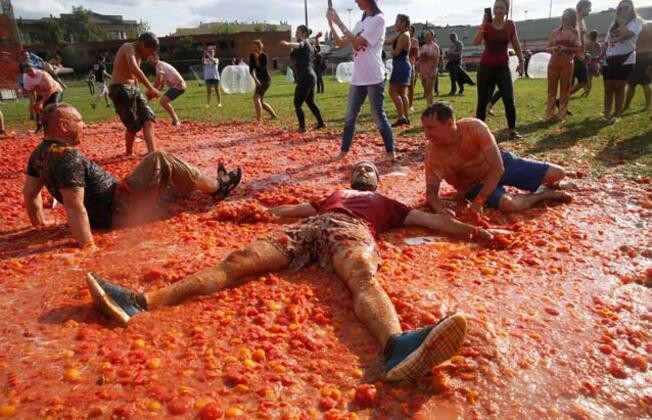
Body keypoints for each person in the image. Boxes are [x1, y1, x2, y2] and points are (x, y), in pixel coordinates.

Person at [85, 160, 502, 381]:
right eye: (358, 169)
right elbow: (289, 211)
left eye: (369, 170)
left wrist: (475, 233)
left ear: (375, 181)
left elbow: (431, 222)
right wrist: (251, 212)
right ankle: (140, 301)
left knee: (361, 275)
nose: (362, 171)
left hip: (350, 232)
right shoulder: (333, 193)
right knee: (236, 263)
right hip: (308, 229)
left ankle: (397, 345)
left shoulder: (390, 204)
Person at [23, 103, 242, 250]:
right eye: (79, 121)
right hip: (120, 209)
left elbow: (30, 195)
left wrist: (39, 226)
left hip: (115, 203)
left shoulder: (39, 154)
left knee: (164, 176)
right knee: (159, 158)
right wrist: (88, 246)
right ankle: (217, 187)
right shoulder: (67, 157)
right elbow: (74, 205)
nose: (84, 125)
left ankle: (192, 188)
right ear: (63, 125)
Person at [422, 102, 572, 216]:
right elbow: (432, 194)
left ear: (449, 124)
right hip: (473, 185)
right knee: (509, 206)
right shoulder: (433, 153)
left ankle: (542, 185)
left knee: (558, 173)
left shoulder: (474, 127)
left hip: (500, 165)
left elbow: (497, 167)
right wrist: (441, 211)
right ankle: (544, 194)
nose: (426, 135)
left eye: (431, 128)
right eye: (425, 129)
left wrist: (479, 201)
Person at [326, 0, 397, 161]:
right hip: (358, 77)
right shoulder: (361, 22)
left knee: (378, 115)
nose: (356, 1)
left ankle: (390, 151)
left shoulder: (379, 20)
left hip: (373, 75)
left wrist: (339, 21)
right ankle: (343, 151)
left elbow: (357, 43)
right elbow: (340, 43)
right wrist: (331, 24)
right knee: (350, 116)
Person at [473, 0, 525, 140]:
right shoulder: (487, 24)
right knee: (482, 100)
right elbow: (476, 41)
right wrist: (483, 24)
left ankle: (512, 130)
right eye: (496, 7)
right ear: (493, 9)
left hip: (502, 67)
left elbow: (516, 43)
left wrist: (521, 61)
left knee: (508, 98)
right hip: (486, 67)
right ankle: (480, 132)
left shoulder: (510, 25)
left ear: (506, 10)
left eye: (501, 7)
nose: (498, 10)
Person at [109, 32, 161, 156]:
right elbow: (134, 68)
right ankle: (129, 153)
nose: (149, 54)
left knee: (149, 117)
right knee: (133, 125)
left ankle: (152, 152)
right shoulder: (128, 48)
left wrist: (139, 92)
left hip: (133, 89)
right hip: (119, 89)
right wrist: (150, 88)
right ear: (143, 44)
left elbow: (134, 76)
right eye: (149, 50)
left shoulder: (139, 53)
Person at [602, 0, 644, 123]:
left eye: (626, 7)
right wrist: (601, 57)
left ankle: (617, 114)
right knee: (608, 88)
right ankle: (606, 113)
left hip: (626, 58)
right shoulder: (612, 25)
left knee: (619, 87)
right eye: (620, 8)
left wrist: (621, 22)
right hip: (609, 59)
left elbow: (625, 35)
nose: (622, 10)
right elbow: (606, 42)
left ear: (632, 8)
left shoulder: (636, 22)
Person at [281, 26, 326, 133]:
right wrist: (317, 39)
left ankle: (302, 127)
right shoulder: (309, 45)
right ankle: (321, 123)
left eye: (298, 31)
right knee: (310, 101)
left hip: (305, 77)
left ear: (304, 33)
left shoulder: (304, 42)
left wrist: (287, 44)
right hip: (310, 76)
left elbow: (299, 45)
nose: (296, 33)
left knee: (297, 103)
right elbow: (318, 49)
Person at [545, 9, 581, 122]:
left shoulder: (575, 33)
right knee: (551, 90)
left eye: (568, 15)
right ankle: (549, 115)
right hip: (553, 64)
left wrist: (566, 49)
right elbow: (547, 48)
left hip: (567, 64)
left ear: (572, 18)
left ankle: (562, 114)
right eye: (564, 14)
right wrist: (553, 49)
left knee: (565, 90)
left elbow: (578, 48)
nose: (565, 17)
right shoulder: (554, 32)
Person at [22, 63, 64, 133]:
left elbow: (50, 89)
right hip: (41, 93)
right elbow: (29, 91)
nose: (29, 73)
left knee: (52, 107)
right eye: (27, 71)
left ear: (35, 68)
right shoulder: (26, 78)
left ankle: (57, 126)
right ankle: (39, 127)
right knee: (38, 108)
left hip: (55, 91)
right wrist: (35, 102)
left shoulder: (43, 75)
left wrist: (42, 102)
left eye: (30, 70)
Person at [147, 53, 187, 126]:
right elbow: (162, 84)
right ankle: (175, 120)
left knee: (163, 101)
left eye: (149, 59)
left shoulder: (159, 65)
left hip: (179, 86)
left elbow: (159, 80)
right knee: (163, 101)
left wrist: (151, 90)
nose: (148, 61)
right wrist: (156, 92)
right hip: (177, 86)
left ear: (156, 58)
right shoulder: (160, 65)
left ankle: (176, 120)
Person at [386, 14, 412, 127]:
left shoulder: (404, 36)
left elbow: (396, 52)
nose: (395, 24)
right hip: (403, 65)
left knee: (393, 92)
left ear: (403, 23)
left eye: (397, 21)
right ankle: (406, 118)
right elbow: (388, 41)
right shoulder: (402, 34)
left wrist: (385, 54)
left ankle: (401, 117)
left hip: (400, 65)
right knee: (402, 93)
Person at [623, 20, 652, 111]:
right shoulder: (649, 25)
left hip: (637, 56)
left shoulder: (634, 26)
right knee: (646, 83)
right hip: (648, 55)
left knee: (631, 83)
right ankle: (647, 105)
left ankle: (626, 106)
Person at [568, 1, 592, 98]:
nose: (590, 10)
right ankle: (561, 100)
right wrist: (578, 53)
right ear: (582, 7)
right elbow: (571, 37)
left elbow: (582, 39)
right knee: (581, 81)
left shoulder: (582, 20)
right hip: (575, 56)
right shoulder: (575, 20)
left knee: (582, 81)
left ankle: (561, 101)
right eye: (588, 7)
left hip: (581, 55)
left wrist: (585, 52)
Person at [249, 40, 278, 121]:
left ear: (260, 47)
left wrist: (257, 58)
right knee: (260, 101)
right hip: (259, 80)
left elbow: (262, 68)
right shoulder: (251, 56)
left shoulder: (264, 56)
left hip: (266, 80)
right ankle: (274, 116)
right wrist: (255, 79)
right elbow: (251, 70)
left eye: (255, 47)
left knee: (256, 97)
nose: (253, 49)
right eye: (252, 47)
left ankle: (258, 119)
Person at [419, 29, 440, 106]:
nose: (426, 37)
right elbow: (420, 58)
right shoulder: (423, 47)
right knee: (425, 90)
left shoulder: (435, 46)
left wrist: (433, 70)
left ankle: (430, 106)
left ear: (432, 36)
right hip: (423, 69)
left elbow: (436, 59)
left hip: (431, 70)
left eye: (428, 35)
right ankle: (429, 104)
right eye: (425, 35)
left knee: (429, 90)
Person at [583, 30, 603, 97]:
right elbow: (600, 54)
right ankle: (587, 93)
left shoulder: (587, 44)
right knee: (590, 79)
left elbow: (584, 53)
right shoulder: (598, 44)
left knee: (585, 79)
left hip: (587, 63)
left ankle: (586, 90)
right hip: (594, 63)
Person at [407, 25, 419, 111]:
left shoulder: (414, 41)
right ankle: (404, 104)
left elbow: (415, 54)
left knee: (411, 87)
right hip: (402, 65)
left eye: (410, 30)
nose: (408, 31)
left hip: (411, 65)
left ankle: (410, 105)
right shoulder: (402, 39)